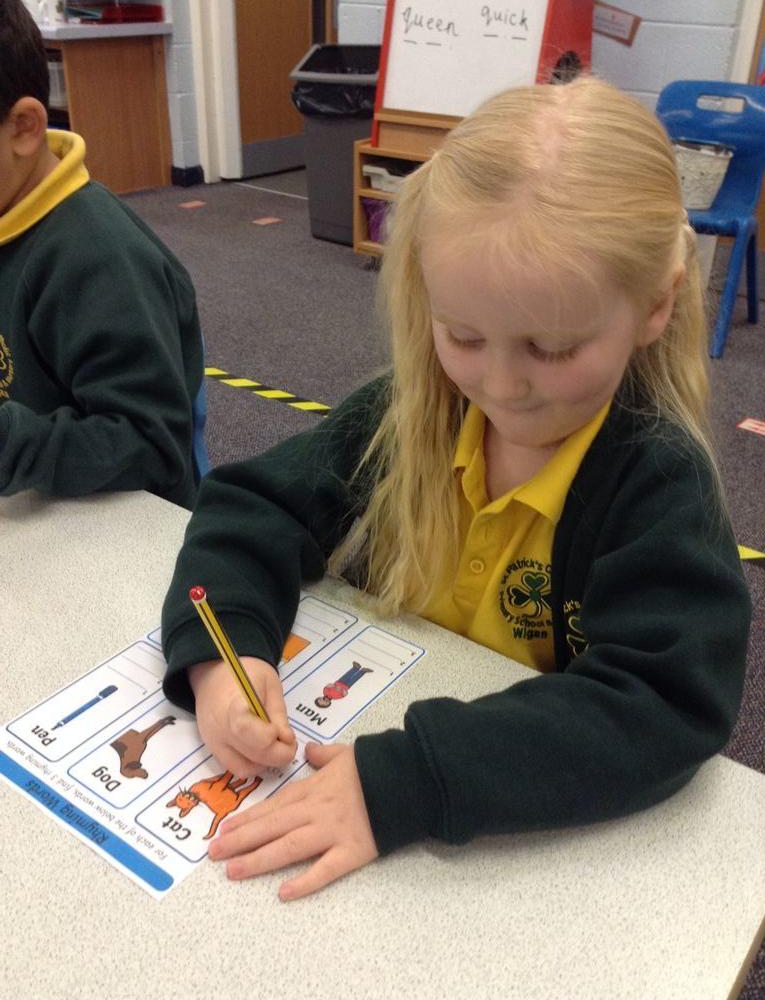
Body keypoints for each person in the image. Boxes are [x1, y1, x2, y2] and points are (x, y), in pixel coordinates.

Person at [161, 76, 751, 900]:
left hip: (515, 862)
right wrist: (221, 658)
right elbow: (252, 506)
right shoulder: (410, 415)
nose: (500, 387)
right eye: (463, 335)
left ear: (656, 306)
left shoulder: (657, 483)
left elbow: (664, 704)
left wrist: (406, 780)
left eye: (551, 348)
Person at [0, 0, 204, 507]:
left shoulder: (98, 258)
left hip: (124, 522)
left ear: (23, 128)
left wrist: (13, 445)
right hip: (34, 503)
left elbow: (151, 444)